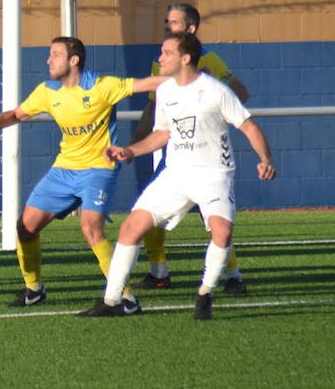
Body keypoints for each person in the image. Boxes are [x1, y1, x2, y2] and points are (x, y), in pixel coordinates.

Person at [80, 32, 276, 320]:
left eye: (166, 52)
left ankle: (205, 293)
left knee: (222, 232)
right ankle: (112, 301)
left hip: (213, 174)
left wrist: (265, 159)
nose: (160, 58)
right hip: (176, 174)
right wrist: (130, 151)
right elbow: (162, 134)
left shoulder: (215, 90)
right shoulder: (166, 91)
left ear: (185, 58)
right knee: (130, 228)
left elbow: (247, 125)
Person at [0, 37, 167, 310]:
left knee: (90, 228)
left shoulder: (102, 87)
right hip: (64, 169)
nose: (49, 60)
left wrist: (187, 78)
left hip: (98, 170)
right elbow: (17, 114)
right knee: (24, 227)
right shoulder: (48, 91)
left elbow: (146, 84)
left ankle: (126, 296)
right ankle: (34, 289)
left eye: (55, 55)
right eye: (49, 54)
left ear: (73, 60)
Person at [131, 3, 252, 293]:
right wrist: (137, 140)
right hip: (170, 151)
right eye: (167, 21)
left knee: (211, 217)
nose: (167, 26)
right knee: (148, 209)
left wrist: (215, 82)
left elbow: (242, 94)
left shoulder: (210, 61)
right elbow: (153, 105)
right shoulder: (161, 62)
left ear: (191, 29)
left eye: (174, 22)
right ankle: (159, 272)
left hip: (205, 154)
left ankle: (233, 276)